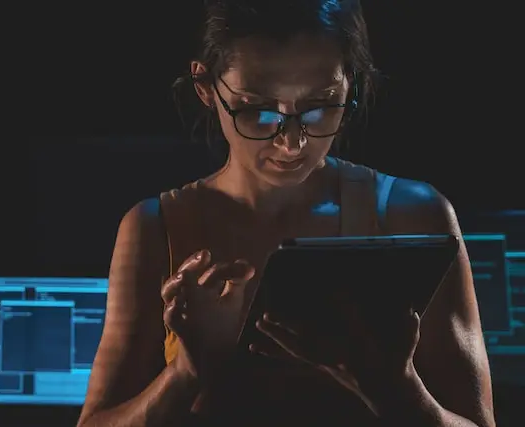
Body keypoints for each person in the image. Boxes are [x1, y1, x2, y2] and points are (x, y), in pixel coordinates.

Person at [77, 1, 495, 426]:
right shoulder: (156, 228)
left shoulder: (412, 217)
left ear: (350, 84)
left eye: (320, 106)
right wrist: (187, 372)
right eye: (257, 111)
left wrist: (396, 388)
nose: (292, 143)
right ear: (205, 87)